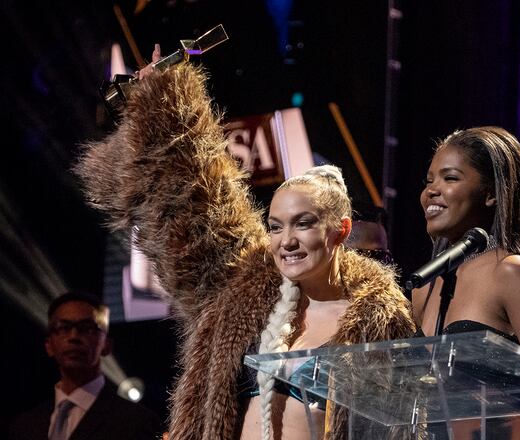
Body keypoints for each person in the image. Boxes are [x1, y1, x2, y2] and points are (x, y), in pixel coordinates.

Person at [75, 47, 415, 439]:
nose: (286, 241)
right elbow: (195, 206)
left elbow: (402, 426)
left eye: (302, 224)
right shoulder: (246, 297)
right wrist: (162, 102)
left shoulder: (379, 319)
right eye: (274, 226)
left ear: (339, 229)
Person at [411, 126, 520, 438]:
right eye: (429, 180)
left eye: (450, 178)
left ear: (491, 193)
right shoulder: (425, 287)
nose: (431, 191)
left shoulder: (510, 272)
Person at [8, 292, 161, 440]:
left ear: (106, 345)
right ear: (49, 345)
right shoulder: (23, 426)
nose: (74, 337)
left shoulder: (137, 422)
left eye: (87, 328)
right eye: (63, 328)